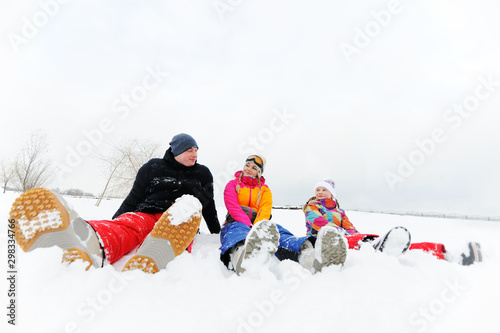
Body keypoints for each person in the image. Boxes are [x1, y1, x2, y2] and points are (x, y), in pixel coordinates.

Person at [9, 133, 221, 273]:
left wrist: (215, 234)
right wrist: (117, 221)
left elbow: (208, 206)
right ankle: (91, 241)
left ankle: (163, 247)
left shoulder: (202, 173)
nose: (194, 154)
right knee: (129, 226)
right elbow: (134, 198)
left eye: (196, 150)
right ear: (176, 151)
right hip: (147, 213)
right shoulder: (153, 167)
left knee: (188, 208)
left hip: (178, 216)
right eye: (189, 150)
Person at [303, 179, 482, 265]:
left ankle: (446, 255)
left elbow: (350, 227)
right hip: (324, 241)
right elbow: (316, 221)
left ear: (332, 194)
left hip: (348, 240)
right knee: (367, 242)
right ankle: (376, 246)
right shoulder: (311, 205)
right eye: (317, 189)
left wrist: (351, 234)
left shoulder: (339, 211)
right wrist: (337, 231)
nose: (319, 192)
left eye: (323, 190)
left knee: (403, 247)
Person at [219, 155, 347, 275]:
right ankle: (242, 259)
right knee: (237, 233)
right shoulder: (233, 184)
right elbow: (232, 206)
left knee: (278, 232)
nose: (249, 169)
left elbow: (265, 208)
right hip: (236, 220)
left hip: (259, 221)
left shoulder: (264, 190)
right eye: (247, 165)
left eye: (254, 168)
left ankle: (309, 257)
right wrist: (249, 226)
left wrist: (258, 226)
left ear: (259, 172)